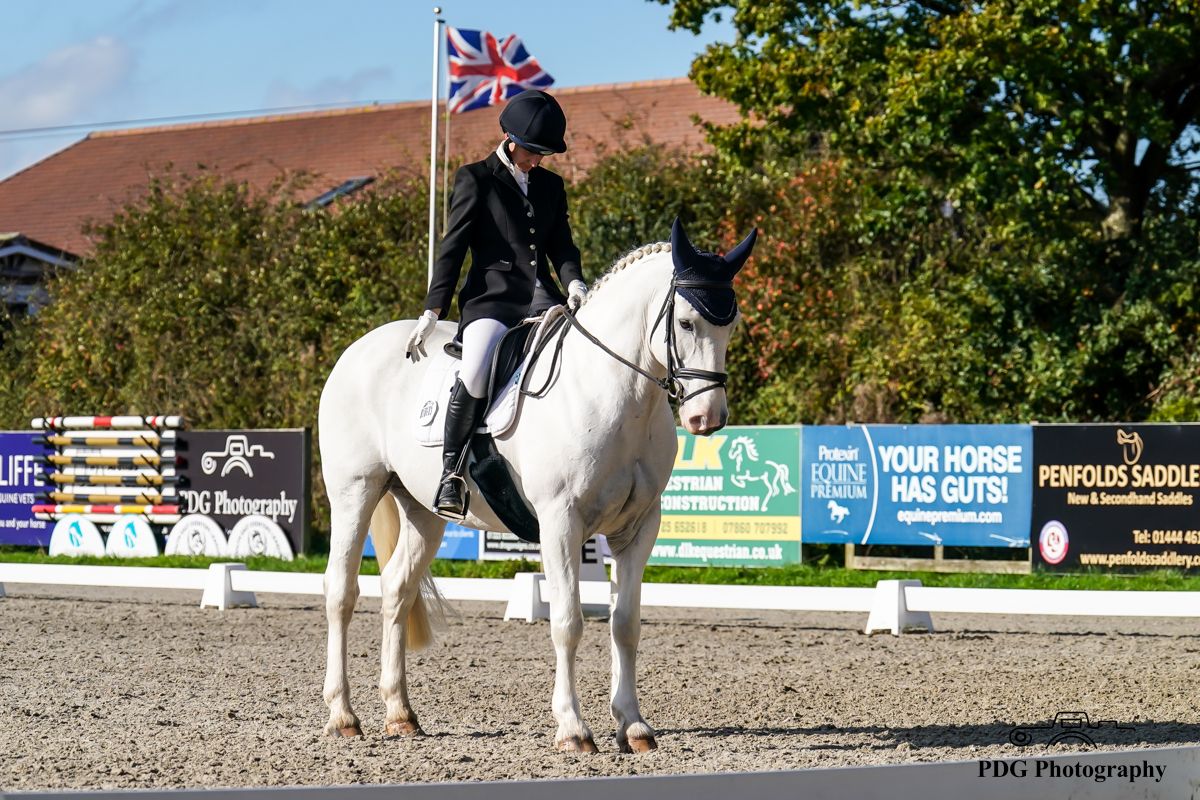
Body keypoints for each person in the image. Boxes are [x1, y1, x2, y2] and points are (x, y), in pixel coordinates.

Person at [405, 89, 588, 518]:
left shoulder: (551, 186)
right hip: (491, 302)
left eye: (544, 155)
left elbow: (561, 244)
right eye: (533, 152)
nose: (538, 161)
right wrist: (433, 310)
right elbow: (453, 249)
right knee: (476, 366)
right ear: (511, 140)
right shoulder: (476, 178)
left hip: (542, 296)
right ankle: (451, 474)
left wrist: (575, 281)